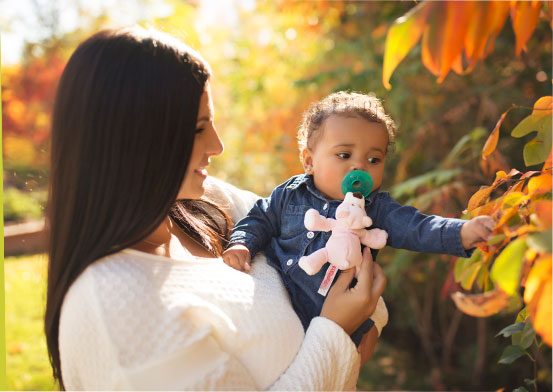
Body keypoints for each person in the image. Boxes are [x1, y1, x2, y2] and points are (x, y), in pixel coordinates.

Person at [44, 27, 388, 390]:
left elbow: (344, 246)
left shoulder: (208, 203)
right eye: (198, 128)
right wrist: (337, 333)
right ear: (131, 140)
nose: (217, 146)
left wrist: (365, 321)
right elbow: (348, 306)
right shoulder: (115, 308)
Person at [222, 91, 495, 345]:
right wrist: (242, 243)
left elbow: (418, 227)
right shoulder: (290, 194)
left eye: (374, 159)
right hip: (277, 306)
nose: (360, 166)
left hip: (339, 323)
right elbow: (259, 218)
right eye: (344, 155)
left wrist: (463, 232)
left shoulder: (376, 209)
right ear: (309, 160)